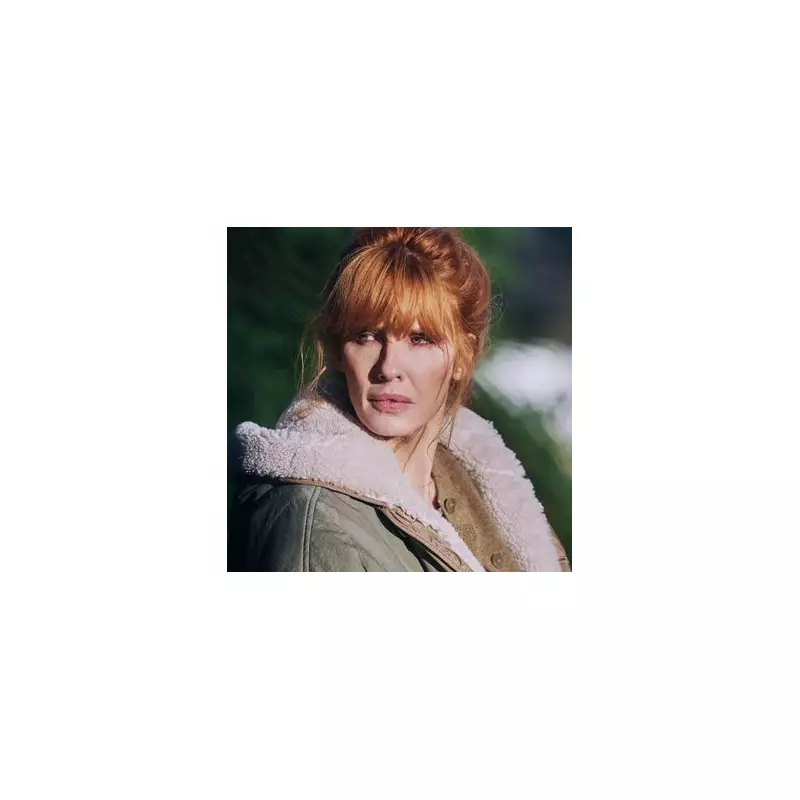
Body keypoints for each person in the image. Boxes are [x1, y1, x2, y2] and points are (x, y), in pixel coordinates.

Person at [228, 227, 571, 572]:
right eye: (366, 336)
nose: (388, 368)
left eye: (420, 339)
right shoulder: (313, 523)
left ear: (463, 356)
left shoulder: (488, 487)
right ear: (338, 352)